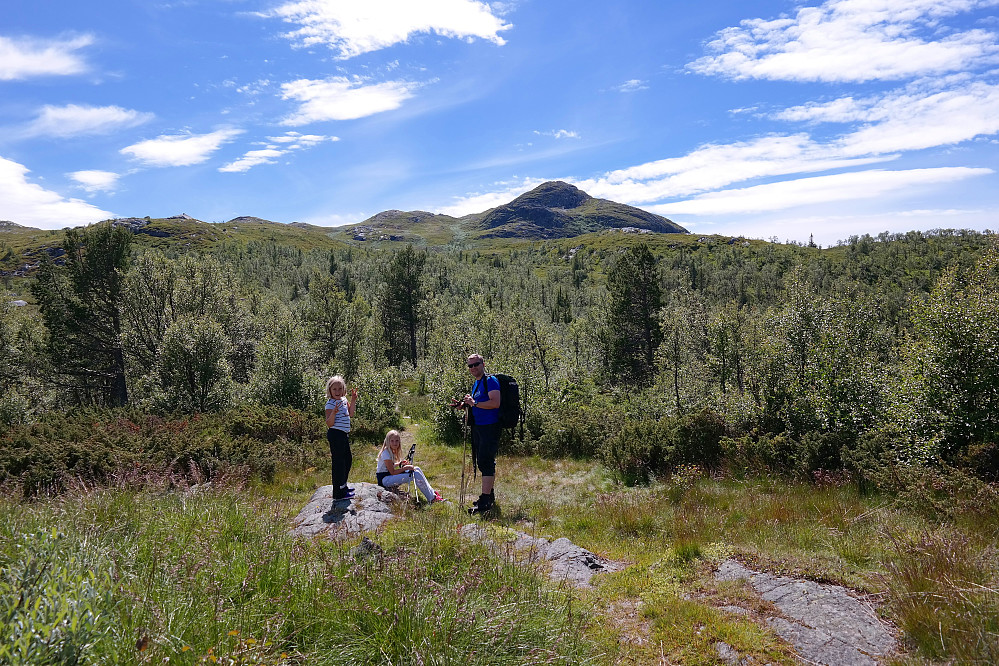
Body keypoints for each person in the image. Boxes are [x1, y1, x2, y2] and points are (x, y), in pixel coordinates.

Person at [461, 353, 501, 514]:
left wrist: (475, 403)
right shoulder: (477, 384)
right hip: (479, 427)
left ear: (483, 364)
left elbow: (495, 402)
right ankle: (488, 496)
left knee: (486, 461)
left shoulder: (490, 381)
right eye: (470, 365)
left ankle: (485, 501)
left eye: (476, 364)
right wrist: (465, 405)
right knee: (482, 461)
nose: (473, 368)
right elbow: (476, 405)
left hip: (489, 427)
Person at [375, 430, 444, 503]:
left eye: (397, 441)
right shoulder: (386, 453)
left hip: (387, 477)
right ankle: (432, 499)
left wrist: (399, 463)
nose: (395, 443)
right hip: (384, 480)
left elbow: (390, 466)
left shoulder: (390, 450)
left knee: (417, 468)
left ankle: (433, 493)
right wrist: (405, 468)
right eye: (392, 441)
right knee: (415, 474)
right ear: (388, 441)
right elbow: (392, 472)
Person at [325, 375, 357, 501]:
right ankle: (338, 493)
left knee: (347, 460)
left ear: (343, 389)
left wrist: (353, 400)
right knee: (338, 464)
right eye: (334, 389)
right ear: (330, 390)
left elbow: (351, 413)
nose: (337, 392)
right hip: (335, 434)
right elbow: (329, 423)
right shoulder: (330, 403)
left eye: (340, 389)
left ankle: (343, 486)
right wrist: (333, 413)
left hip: (344, 435)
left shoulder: (343, 399)